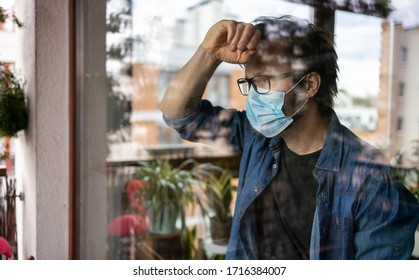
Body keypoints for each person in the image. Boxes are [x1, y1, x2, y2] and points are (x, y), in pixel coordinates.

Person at [159, 15, 419, 259]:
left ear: (309, 85)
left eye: (263, 81)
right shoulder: (255, 136)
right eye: (250, 83)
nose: (254, 95)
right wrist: (209, 53)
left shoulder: (372, 180)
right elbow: (179, 115)